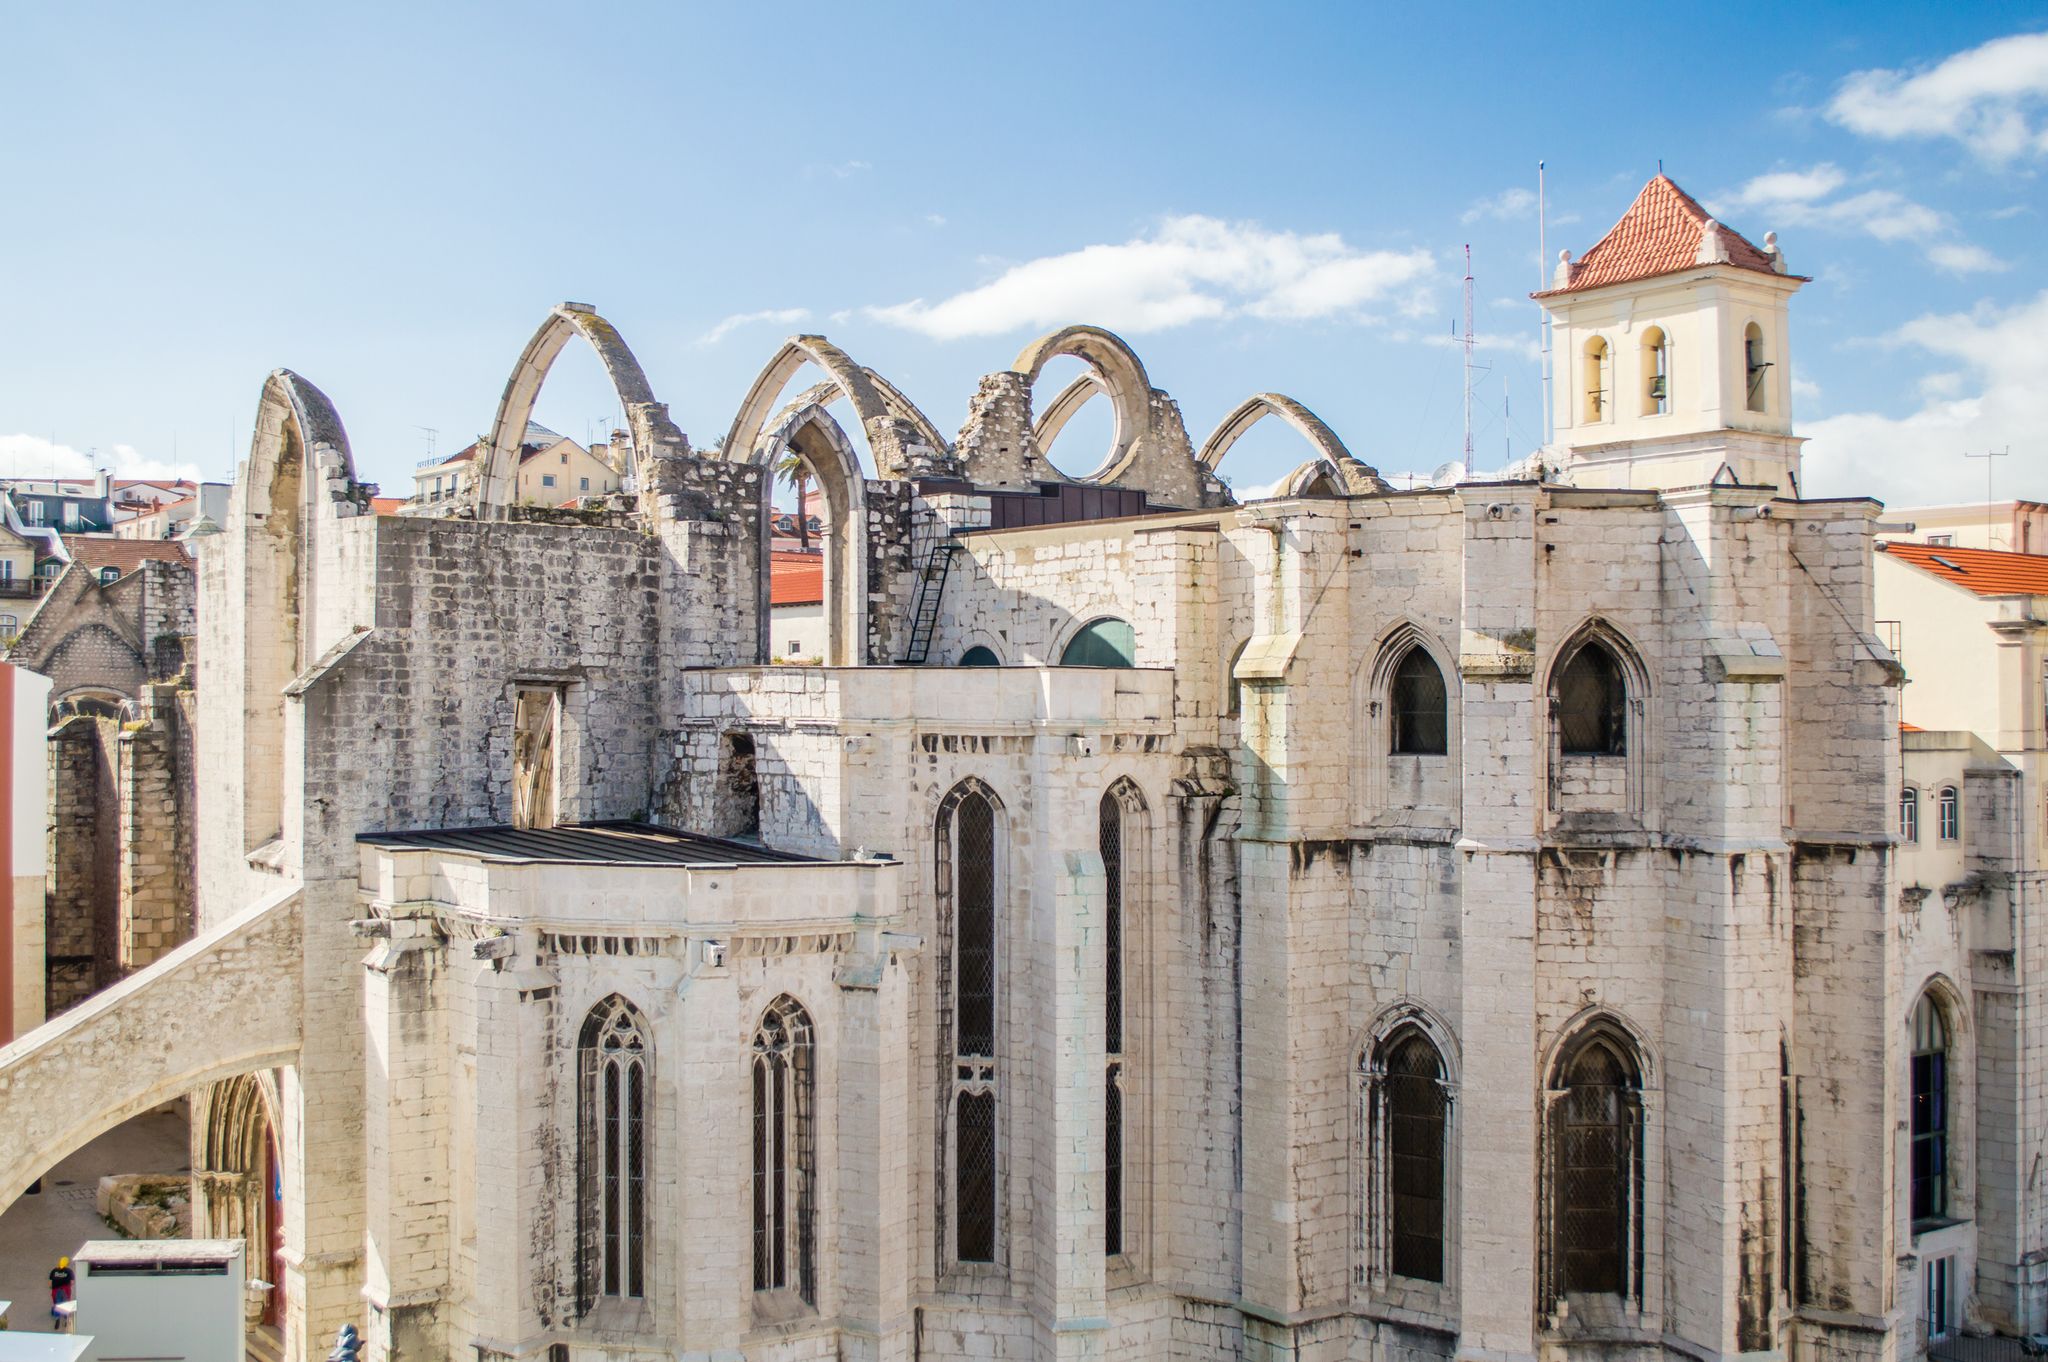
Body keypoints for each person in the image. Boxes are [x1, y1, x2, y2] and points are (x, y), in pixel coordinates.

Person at [48, 1255, 75, 1330]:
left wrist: (51, 1287)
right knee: (66, 1303)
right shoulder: (69, 1271)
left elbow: (50, 1282)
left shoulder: (54, 1270)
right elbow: (72, 1282)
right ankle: (66, 1319)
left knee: (57, 1303)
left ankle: (57, 1318)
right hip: (65, 1290)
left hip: (56, 1290)